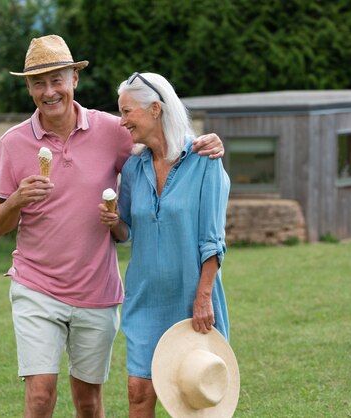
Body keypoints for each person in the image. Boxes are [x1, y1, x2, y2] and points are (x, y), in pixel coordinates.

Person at [0, 35, 224, 418]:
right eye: (38, 83)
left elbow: (161, 138)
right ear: (28, 87)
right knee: (40, 396)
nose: (49, 92)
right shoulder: (11, 144)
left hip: (96, 291)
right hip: (36, 285)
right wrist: (15, 200)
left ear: (74, 80)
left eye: (57, 79)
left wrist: (208, 143)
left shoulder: (113, 130)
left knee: (89, 403)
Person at [99, 72, 231, 417]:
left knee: (191, 399)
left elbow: (213, 239)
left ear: (155, 109)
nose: (122, 120)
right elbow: (127, 232)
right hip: (145, 300)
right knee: (138, 392)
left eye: (127, 112)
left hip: (192, 299)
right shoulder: (131, 168)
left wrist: (203, 297)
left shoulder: (205, 160)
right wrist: (114, 223)